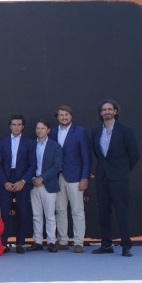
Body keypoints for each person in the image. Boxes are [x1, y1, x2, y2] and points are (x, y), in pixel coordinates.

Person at [91, 99, 140, 257]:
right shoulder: (96, 131)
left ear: (115, 111)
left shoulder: (126, 130)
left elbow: (134, 155)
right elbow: (98, 155)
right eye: (104, 110)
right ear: (100, 113)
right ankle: (106, 245)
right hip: (102, 177)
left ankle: (126, 245)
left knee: (122, 211)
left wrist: (123, 171)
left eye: (109, 109)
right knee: (104, 212)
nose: (107, 112)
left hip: (119, 177)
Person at [48, 105, 91, 253]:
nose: (64, 117)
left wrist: (85, 177)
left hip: (75, 177)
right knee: (60, 210)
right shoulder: (52, 132)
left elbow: (86, 157)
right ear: (57, 117)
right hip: (57, 177)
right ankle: (63, 240)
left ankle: (79, 242)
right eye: (61, 115)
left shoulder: (80, 132)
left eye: (66, 115)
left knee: (77, 210)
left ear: (71, 116)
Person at [0, 115, 36, 254]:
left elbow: (32, 165)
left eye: (19, 125)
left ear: (23, 126)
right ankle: (3, 243)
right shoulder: (2, 142)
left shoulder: (30, 143)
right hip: (6, 178)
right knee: (4, 213)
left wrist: (23, 181)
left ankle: (20, 243)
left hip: (22, 179)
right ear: (10, 126)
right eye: (14, 124)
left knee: (23, 213)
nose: (16, 127)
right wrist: (4, 181)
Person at [29, 120, 63, 252]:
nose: (39, 131)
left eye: (42, 128)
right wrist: (33, 178)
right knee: (36, 215)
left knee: (49, 215)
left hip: (48, 184)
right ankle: (37, 241)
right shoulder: (32, 145)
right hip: (33, 184)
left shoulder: (55, 146)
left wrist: (42, 178)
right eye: (38, 128)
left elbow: (56, 166)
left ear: (48, 130)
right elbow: (28, 164)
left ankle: (50, 242)